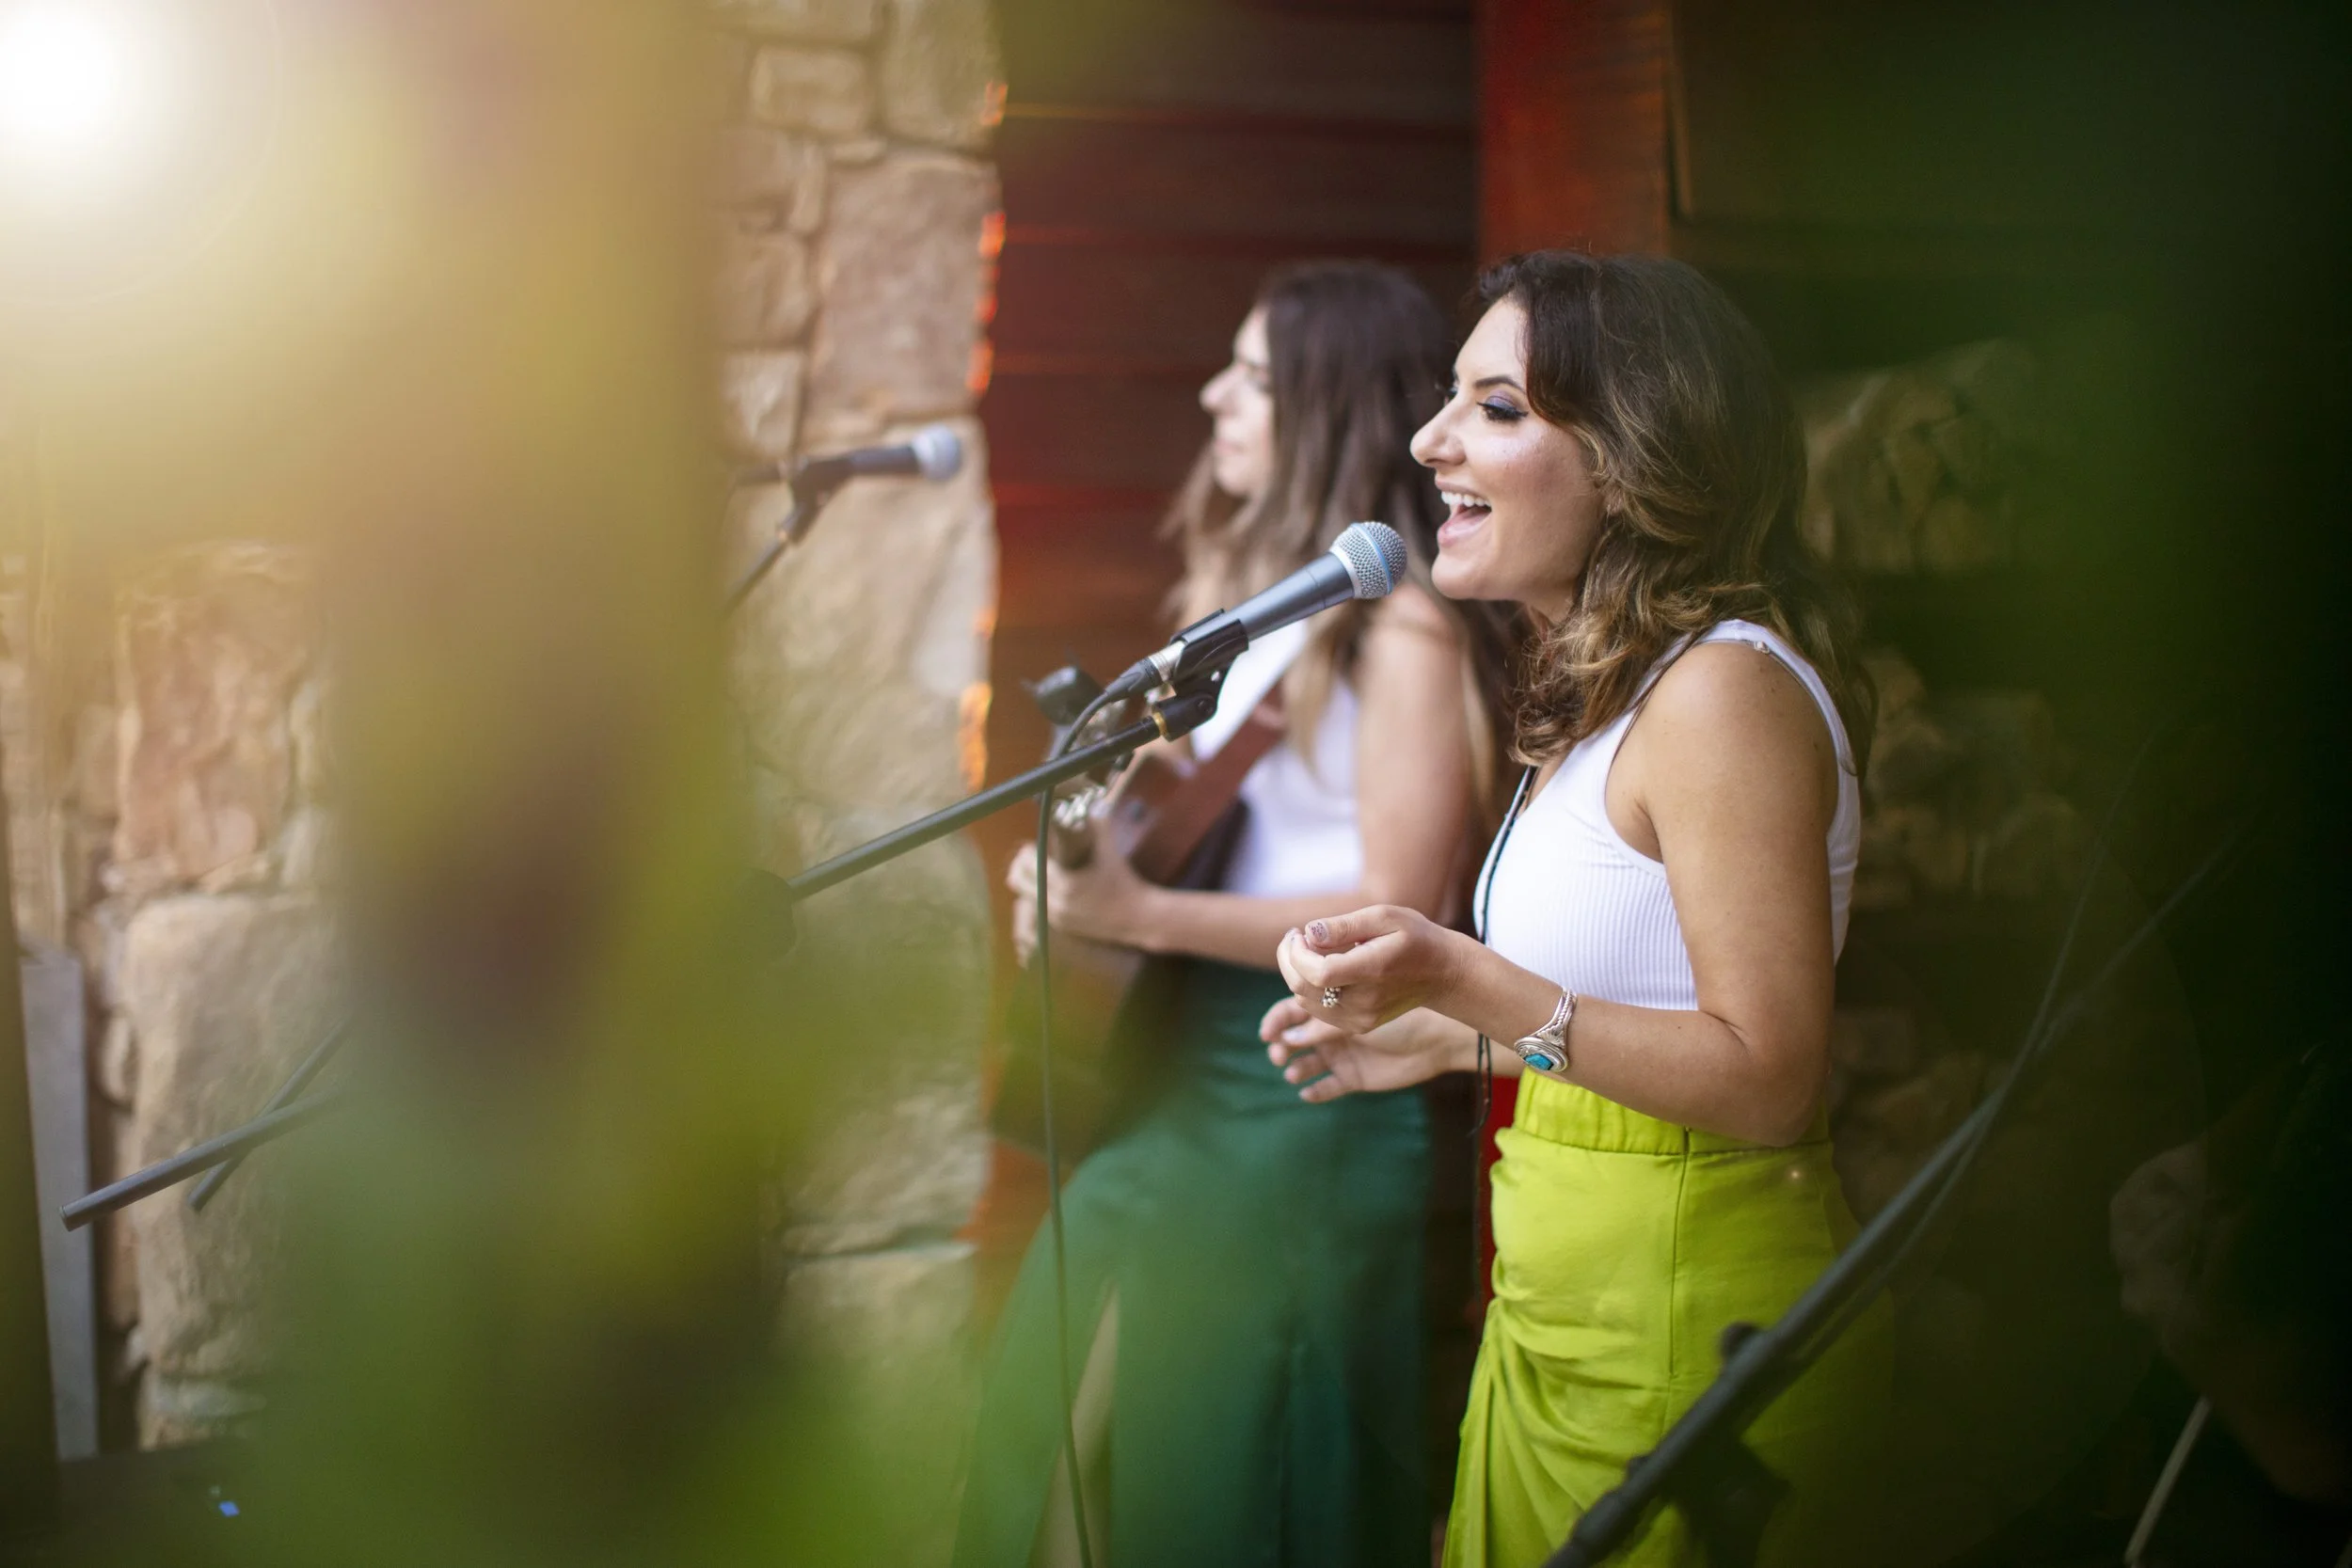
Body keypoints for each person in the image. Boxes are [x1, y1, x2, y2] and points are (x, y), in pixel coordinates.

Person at [1261, 251, 1890, 1568]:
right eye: (1451, 400)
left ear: (1633, 456)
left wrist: (1463, 979)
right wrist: (1438, 1040)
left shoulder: (1723, 692)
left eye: (1495, 407)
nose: (1433, 440)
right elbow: (1637, 1024)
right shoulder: (1612, 696)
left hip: (1687, 1321)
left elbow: (1767, 1075)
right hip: (1560, 1321)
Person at [954, 261, 1512, 1568]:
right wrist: (1079, 887)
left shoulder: (1404, 629)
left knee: (1217, 1471)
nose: (1216, 395)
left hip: (1296, 1092)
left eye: (1255, 376)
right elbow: (1185, 844)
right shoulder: (1252, 611)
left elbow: (1405, 906)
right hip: (1169, 1080)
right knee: (1050, 1441)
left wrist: (1139, 912)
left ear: (1326, 408)